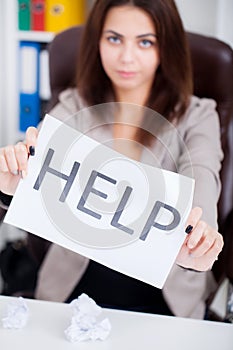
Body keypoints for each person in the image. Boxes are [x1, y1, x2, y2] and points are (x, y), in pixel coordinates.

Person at [0, 0, 223, 319]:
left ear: (167, 48)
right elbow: (36, 158)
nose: (127, 57)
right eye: (114, 39)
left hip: (164, 299)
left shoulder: (198, 115)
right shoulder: (74, 104)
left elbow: (203, 173)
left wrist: (201, 235)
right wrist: (11, 179)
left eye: (145, 42)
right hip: (73, 289)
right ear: (98, 42)